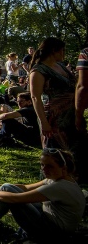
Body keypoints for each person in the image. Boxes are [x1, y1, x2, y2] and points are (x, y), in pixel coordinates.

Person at [0, 148, 85, 244]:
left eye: (49, 166)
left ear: (63, 168)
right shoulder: (58, 179)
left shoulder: (59, 187)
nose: (44, 169)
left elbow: (16, 198)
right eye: (42, 165)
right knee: (6, 187)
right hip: (51, 221)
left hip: (55, 233)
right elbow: (26, 187)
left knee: (7, 190)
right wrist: (1, 186)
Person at [29, 38, 85, 173]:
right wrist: (44, 122)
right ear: (54, 51)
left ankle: (73, 178)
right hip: (53, 118)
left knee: (76, 149)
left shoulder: (60, 66)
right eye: (62, 50)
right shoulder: (38, 71)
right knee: (55, 151)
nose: (64, 54)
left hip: (70, 114)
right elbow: (35, 97)